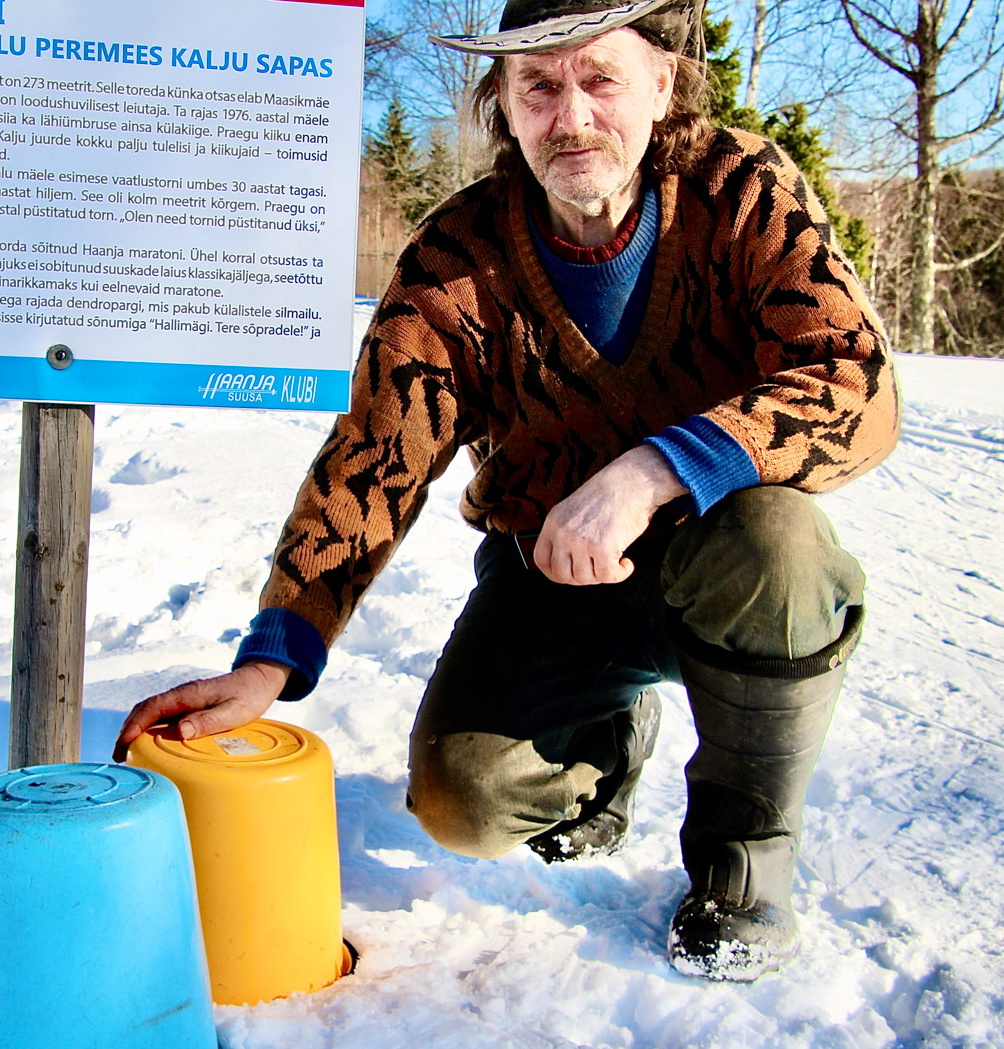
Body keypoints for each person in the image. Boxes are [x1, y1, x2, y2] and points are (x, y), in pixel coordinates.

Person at [114, 0, 899, 982]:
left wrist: (655, 469)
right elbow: (374, 456)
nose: (570, 115)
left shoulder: (737, 190)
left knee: (780, 546)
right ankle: (608, 740)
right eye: (539, 86)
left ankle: (745, 863)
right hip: (554, 580)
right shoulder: (460, 259)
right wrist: (273, 658)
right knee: (465, 801)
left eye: (599, 79)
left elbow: (853, 376)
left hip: (724, 552)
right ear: (505, 106)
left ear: (661, 83)